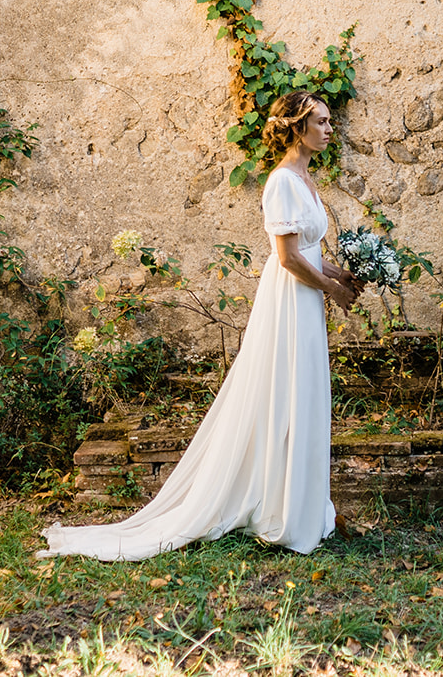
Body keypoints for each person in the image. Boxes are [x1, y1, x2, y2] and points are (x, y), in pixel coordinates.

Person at [39, 91, 360, 560]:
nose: (330, 129)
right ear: (297, 127)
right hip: (289, 300)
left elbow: (308, 250)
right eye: (322, 122)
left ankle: (297, 502)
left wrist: (339, 274)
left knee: (303, 391)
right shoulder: (282, 182)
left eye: (329, 121)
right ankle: (281, 510)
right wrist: (331, 289)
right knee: (285, 390)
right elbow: (288, 258)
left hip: (306, 298)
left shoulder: (307, 179)